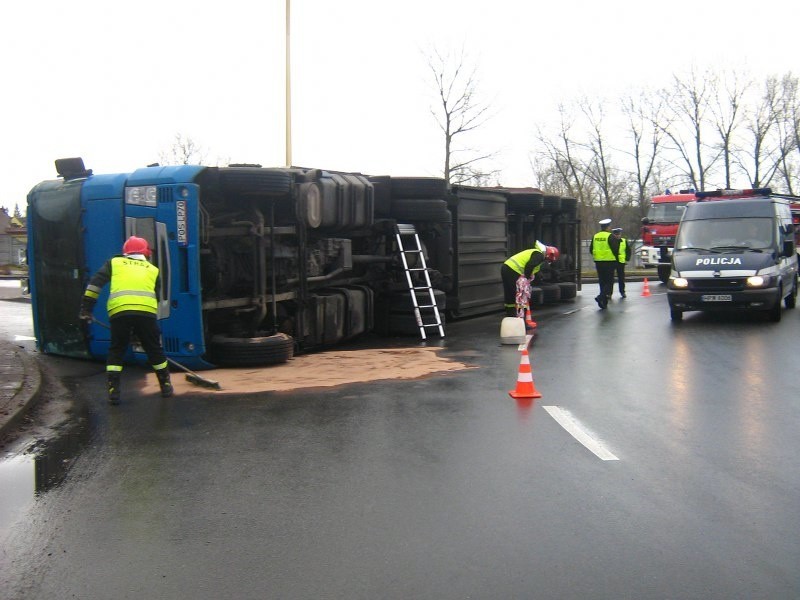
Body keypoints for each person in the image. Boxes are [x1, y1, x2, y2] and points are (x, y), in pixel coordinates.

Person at [79, 236, 173, 405]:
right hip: (146, 313)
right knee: (154, 349)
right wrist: (140, 330)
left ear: (126, 252)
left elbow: (95, 284)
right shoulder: (153, 269)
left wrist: (87, 309)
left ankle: (114, 392)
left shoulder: (114, 263)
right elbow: (157, 297)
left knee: (117, 349)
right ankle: (165, 386)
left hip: (119, 313)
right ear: (146, 253)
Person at [501, 242, 560, 316]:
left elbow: (532, 268)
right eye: (549, 260)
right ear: (550, 255)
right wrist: (526, 279)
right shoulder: (539, 255)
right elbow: (529, 266)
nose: (548, 261)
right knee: (517, 294)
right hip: (512, 270)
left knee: (510, 293)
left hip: (506, 267)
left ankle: (510, 314)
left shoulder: (536, 254)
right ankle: (517, 316)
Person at [590, 218, 620, 309]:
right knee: (609, 281)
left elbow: (591, 249)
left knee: (602, 281)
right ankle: (600, 297)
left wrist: (598, 255)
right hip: (609, 261)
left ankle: (604, 301)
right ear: (608, 227)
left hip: (598, 262)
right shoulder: (610, 236)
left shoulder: (595, 236)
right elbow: (615, 249)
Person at [612, 227, 632, 298]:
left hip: (621, 262)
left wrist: (627, 258)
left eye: (619, 234)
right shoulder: (611, 241)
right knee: (611, 279)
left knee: (621, 278)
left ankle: (622, 292)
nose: (617, 236)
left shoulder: (624, 241)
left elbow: (628, 250)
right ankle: (609, 293)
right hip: (612, 261)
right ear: (613, 234)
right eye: (616, 234)